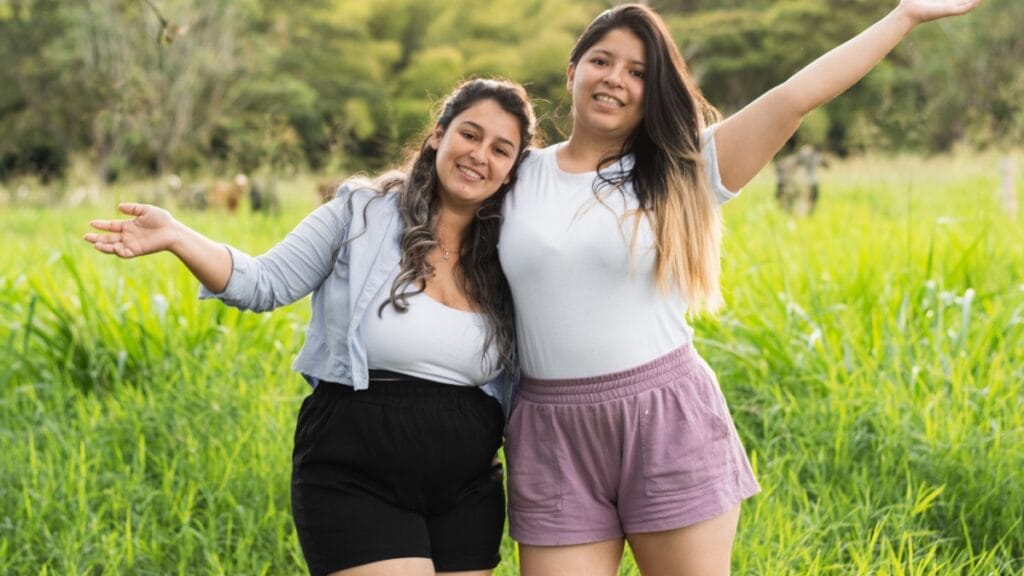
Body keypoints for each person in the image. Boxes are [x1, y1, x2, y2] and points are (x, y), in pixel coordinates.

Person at [497, 2, 981, 575]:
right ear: (572, 70)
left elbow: (796, 97)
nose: (615, 80)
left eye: (637, 73)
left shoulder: (683, 169)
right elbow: (431, 190)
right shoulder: (514, 175)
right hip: (551, 431)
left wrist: (904, 17)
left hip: (665, 419)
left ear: (653, 93)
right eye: (601, 61)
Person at [84, 78, 537, 576]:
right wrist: (177, 236)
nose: (479, 155)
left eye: (501, 149)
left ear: (513, 170)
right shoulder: (359, 213)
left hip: (466, 488)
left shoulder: (510, 253)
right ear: (437, 135)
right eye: (469, 135)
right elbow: (263, 282)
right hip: (358, 472)